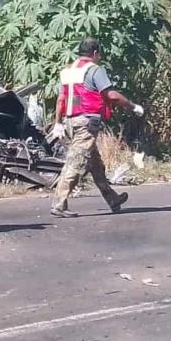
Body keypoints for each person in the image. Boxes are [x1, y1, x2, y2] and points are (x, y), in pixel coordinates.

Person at [51, 37, 144, 218]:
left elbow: (62, 99)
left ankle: (112, 198)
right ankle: (59, 204)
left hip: (72, 121)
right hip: (86, 123)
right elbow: (111, 95)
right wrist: (133, 106)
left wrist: (58, 122)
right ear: (95, 53)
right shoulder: (94, 70)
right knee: (75, 162)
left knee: (95, 164)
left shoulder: (68, 71)